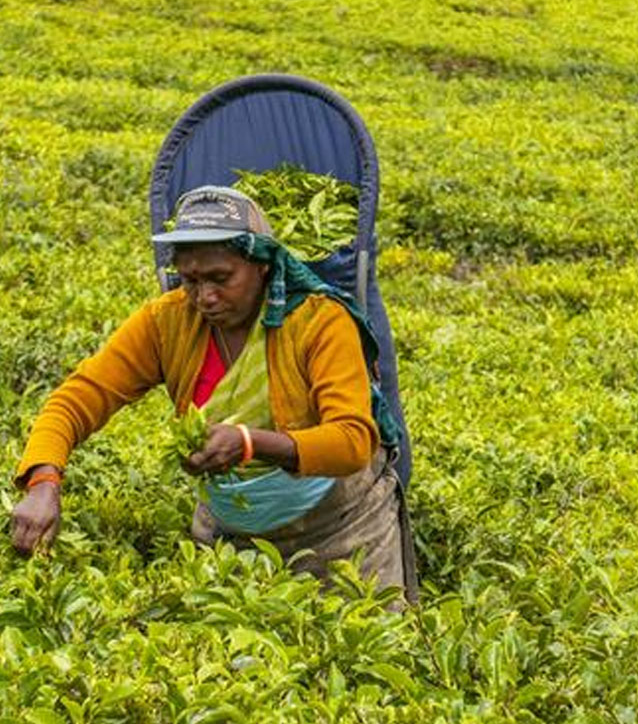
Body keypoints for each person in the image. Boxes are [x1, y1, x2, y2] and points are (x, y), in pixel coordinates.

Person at [10, 186, 416, 601]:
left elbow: (351, 442)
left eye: (221, 278)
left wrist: (248, 443)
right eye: (190, 279)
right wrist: (43, 481)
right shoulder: (168, 322)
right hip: (231, 538)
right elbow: (76, 399)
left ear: (261, 264)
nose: (205, 297)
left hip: (343, 532)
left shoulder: (319, 322)